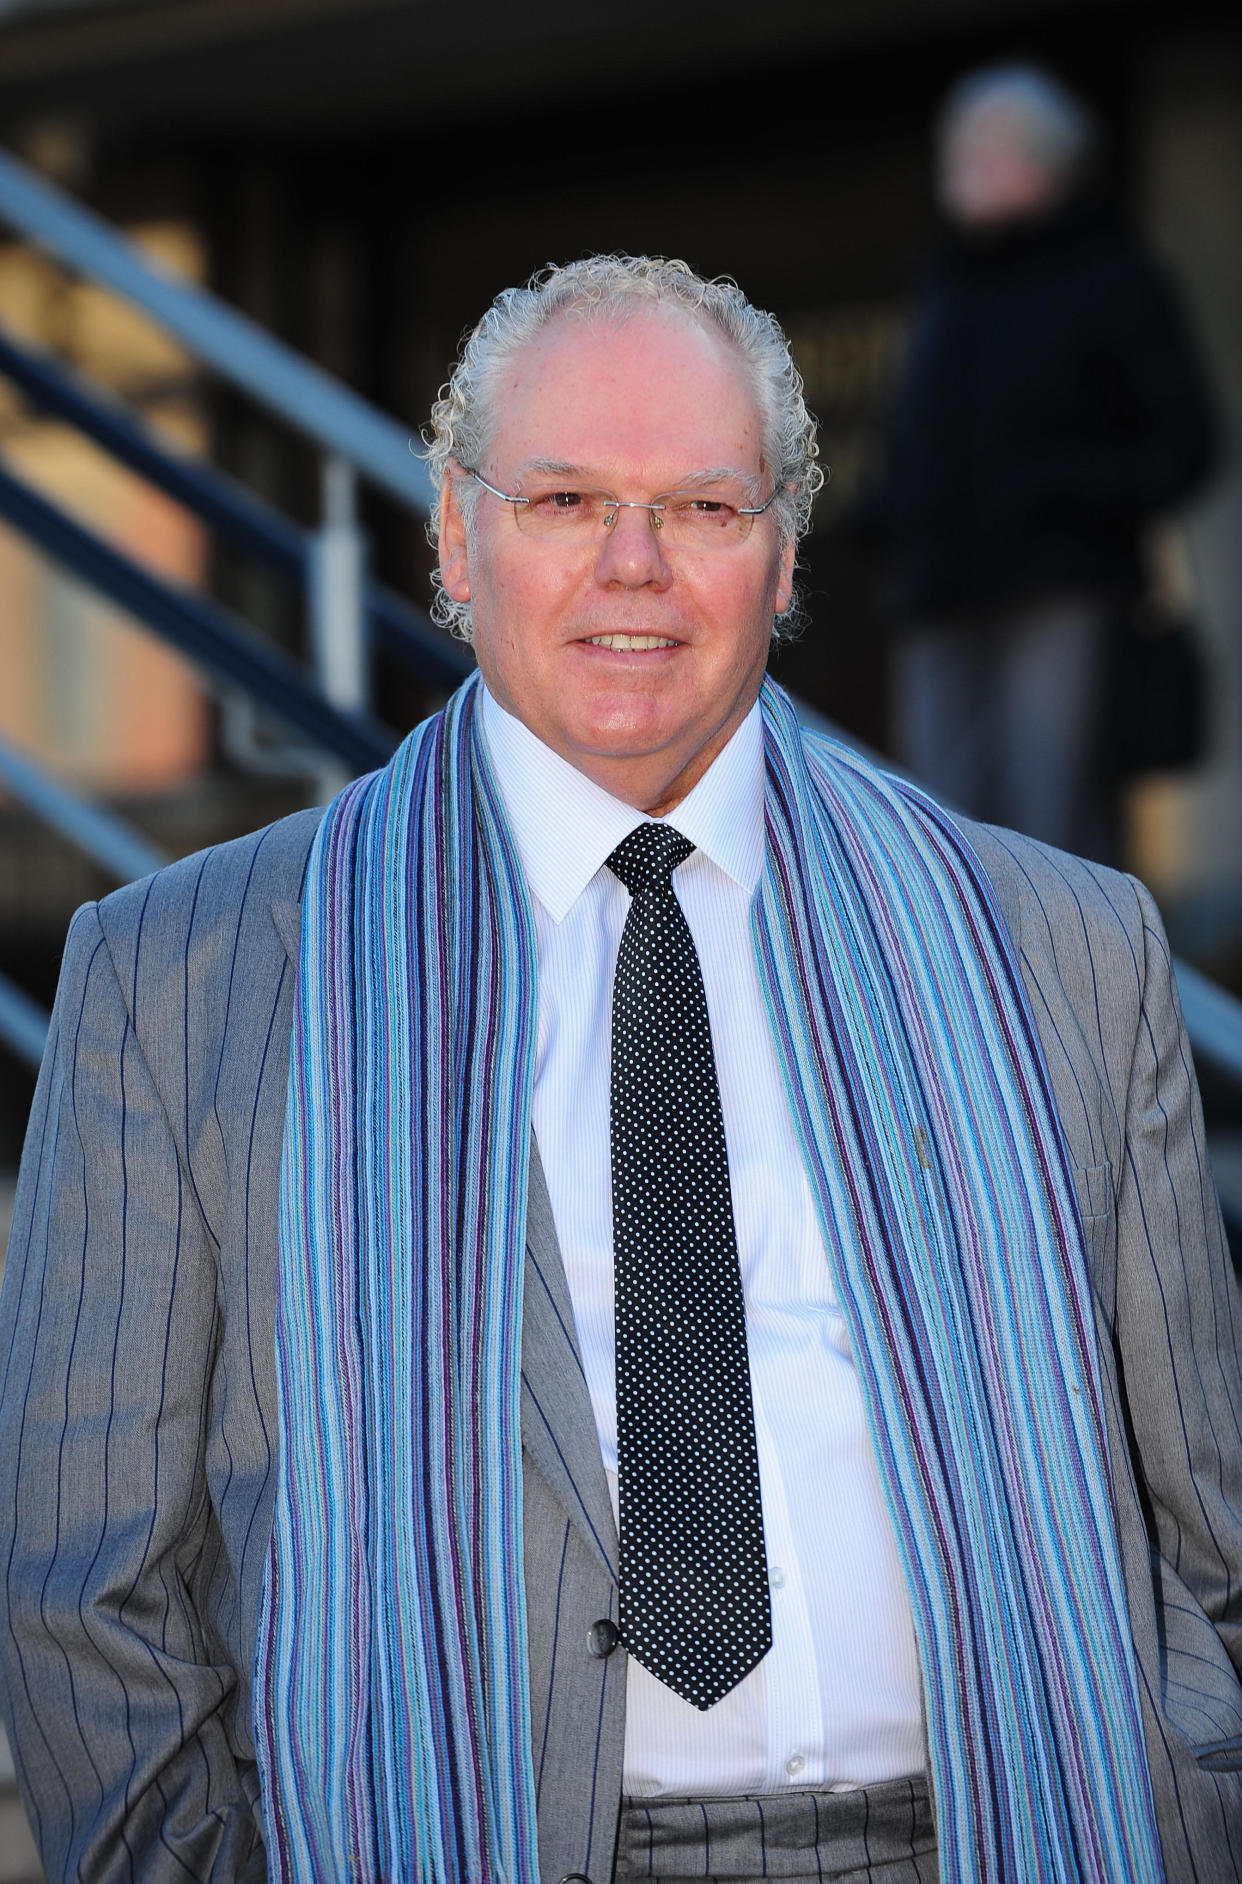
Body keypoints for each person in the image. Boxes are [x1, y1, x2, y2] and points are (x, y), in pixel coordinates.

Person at [0, 254, 1240, 1884]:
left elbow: (1206, 1538)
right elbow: (87, 1588)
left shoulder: (1062, 952)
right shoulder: (184, 980)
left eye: (704, 507)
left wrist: (1186, 1812)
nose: (634, 566)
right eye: (568, 497)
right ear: (454, 533)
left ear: (785, 550)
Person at [876, 63, 1216, 861]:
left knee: (1049, 830)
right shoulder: (944, 284)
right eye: (954, 147)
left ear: (1045, 162)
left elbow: (1186, 444)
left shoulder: (1109, 275)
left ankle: (1063, 987)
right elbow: (917, 434)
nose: (959, 163)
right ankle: (955, 985)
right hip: (938, 595)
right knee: (935, 830)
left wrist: (1063, 495)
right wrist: (886, 505)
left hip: (1060, 594)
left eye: (985, 148)